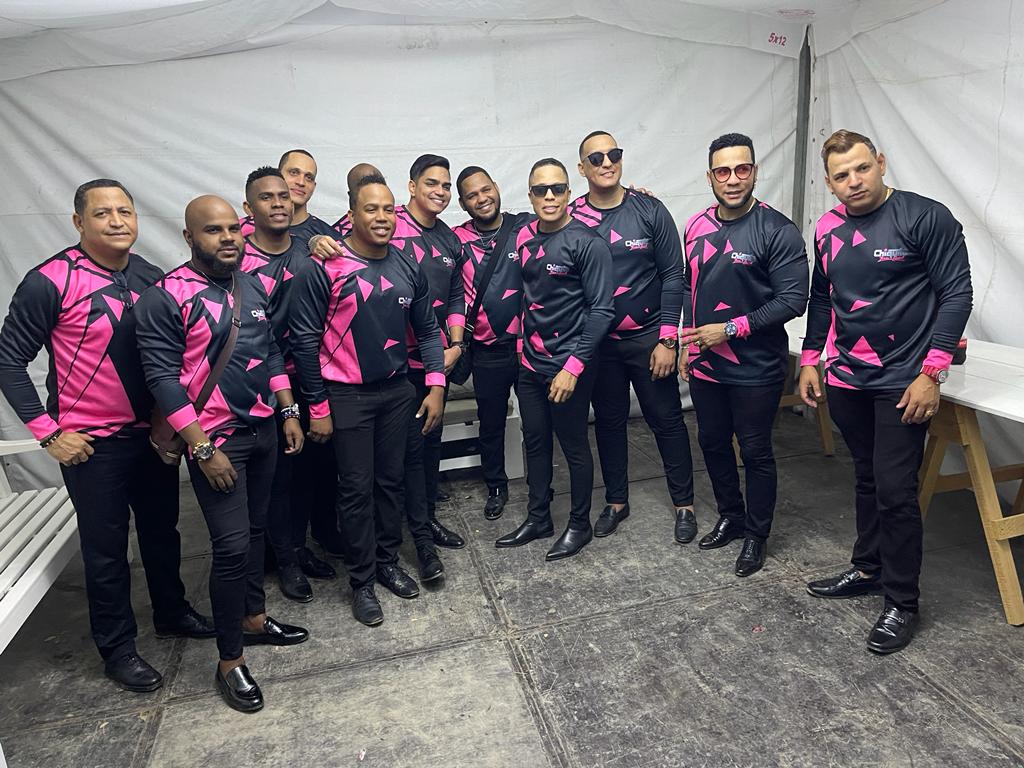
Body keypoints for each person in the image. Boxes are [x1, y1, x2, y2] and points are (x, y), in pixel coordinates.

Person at [0, 179, 214, 693]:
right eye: (102, 213)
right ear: (79, 222)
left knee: (163, 531)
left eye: (125, 211)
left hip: (153, 438)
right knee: (106, 549)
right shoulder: (49, 281)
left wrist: (174, 426)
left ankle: (171, 611)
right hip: (92, 446)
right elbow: (8, 362)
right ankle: (117, 649)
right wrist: (49, 434)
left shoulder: (151, 276)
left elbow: (172, 358)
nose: (117, 221)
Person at [799, 129, 972, 654]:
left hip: (904, 380)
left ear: (880, 162)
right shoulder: (826, 228)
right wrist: (810, 359)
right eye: (841, 175)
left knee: (896, 491)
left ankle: (902, 601)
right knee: (867, 478)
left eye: (862, 168)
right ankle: (868, 568)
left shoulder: (925, 217)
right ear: (829, 183)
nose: (854, 181)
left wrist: (932, 372)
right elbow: (823, 299)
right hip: (847, 377)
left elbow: (956, 293)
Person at [136, 195, 309, 713]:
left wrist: (288, 409)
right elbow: (162, 379)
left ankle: (253, 618)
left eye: (233, 228)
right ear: (189, 237)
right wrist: (202, 447)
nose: (228, 237)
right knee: (231, 548)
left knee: (256, 531)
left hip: (264, 429)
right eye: (214, 230)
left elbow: (270, 351)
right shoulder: (165, 296)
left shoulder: (250, 284)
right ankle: (230, 660)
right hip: (216, 440)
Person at [290, 173, 447, 626]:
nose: (381, 217)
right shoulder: (324, 266)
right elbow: (304, 342)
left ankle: (386, 562)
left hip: (397, 391)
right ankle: (361, 583)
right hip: (346, 395)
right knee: (356, 489)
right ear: (352, 214)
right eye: (370, 208)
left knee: (390, 483)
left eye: (387, 209)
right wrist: (318, 408)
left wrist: (436, 386)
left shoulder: (407, 264)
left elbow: (428, 331)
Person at [314, 156, 467, 565]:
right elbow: (332, 244)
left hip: (432, 365)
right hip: (381, 371)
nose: (439, 191)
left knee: (423, 454)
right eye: (431, 182)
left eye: (445, 185)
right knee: (384, 471)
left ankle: (424, 528)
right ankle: (390, 551)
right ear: (412, 187)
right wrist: (314, 242)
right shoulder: (384, 219)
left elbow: (454, 296)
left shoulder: (449, 238)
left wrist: (455, 345)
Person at [679, 133, 808, 577]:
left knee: (755, 451)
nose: (732, 179)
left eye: (742, 169)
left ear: (754, 172)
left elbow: (793, 300)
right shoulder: (695, 225)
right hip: (706, 365)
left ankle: (757, 534)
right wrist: (688, 341)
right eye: (723, 171)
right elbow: (689, 286)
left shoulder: (777, 229)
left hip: (757, 366)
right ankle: (731, 516)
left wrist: (731, 329)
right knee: (712, 442)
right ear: (710, 176)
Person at [569, 130, 696, 543]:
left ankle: (684, 505)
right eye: (596, 157)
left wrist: (668, 339)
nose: (607, 163)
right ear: (582, 168)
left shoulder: (649, 208)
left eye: (614, 154)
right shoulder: (570, 217)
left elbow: (673, 275)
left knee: (667, 420)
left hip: (649, 339)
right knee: (608, 422)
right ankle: (616, 502)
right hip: (600, 345)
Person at [496, 158, 614, 560]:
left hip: (570, 366)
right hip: (531, 365)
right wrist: (521, 350)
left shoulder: (587, 243)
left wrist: (572, 369)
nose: (549, 196)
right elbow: (527, 297)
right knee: (535, 441)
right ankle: (538, 518)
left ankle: (579, 525)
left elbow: (602, 311)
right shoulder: (524, 237)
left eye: (557, 189)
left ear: (568, 193)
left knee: (574, 446)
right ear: (530, 195)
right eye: (541, 190)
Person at [239, 166, 336, 602]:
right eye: (267, 197)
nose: (278, 203)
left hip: (309, 376)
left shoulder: (311, 252)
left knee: (308, 472)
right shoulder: (237, 256)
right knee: (275, 478)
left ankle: (298, 547)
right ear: (249, 208)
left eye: (283, 196)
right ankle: (285, 561)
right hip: (259, 384)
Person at [452, 166, 534, 520]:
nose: (482, 198)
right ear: (462, 203)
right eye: (472, 195)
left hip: (529, 348)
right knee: (491, 424)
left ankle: (540, 486)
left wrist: (634, 198)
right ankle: (496, 487)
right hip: (487, 350)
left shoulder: (527, 225)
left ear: (497, 188)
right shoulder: (455, 238)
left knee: (538, 421)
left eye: (486, 189)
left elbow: (573, 215)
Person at [240, 149, 335, 247]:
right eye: (294, 172)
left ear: (314, 186)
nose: (301, 182)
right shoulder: (239, 230)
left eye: (309, 177)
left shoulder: (330, 238)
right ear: (278, 175)